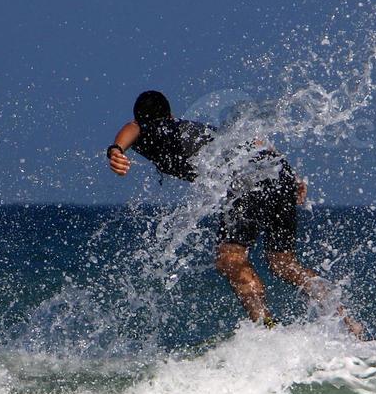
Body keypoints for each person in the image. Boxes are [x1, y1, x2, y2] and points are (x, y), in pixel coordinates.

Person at [106, 91, 362, 336]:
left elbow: (133, 128)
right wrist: (292, 176)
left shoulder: (151, 130)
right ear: (172, 114)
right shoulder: (196, 130)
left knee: (230, 259)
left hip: (249, 178)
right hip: (277, 171)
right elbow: (254, 142)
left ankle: (266, 329)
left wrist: (115, 150)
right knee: (284, 263)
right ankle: (347, 322)